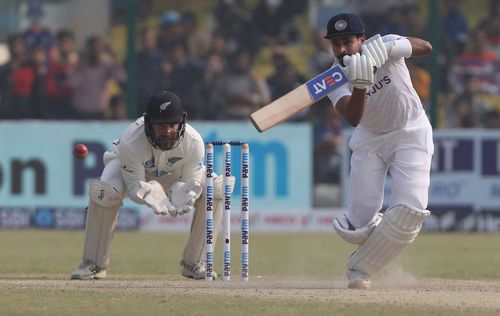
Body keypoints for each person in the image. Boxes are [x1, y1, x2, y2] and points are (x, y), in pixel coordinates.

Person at [71, 91, 232, 280]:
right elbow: (133, 190)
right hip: (128, 170)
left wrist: (185, 192)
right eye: (160, 126)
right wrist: (150, 191)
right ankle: (94, 264)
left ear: (183, 120)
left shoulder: (194, 142)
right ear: (148, 122)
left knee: (216, 188)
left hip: (175, 174)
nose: (167, 131)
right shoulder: (131, 141)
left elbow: (191, 183)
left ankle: (196, 262)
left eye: (172, 124)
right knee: (104, 192)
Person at [323, 13, 434, 289]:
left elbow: (426, 47)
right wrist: (361, 85)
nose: (342, 50)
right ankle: (374, 229)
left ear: (361, 38)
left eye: (348, 42)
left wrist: (390, 48)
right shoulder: (332, 77)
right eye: (335, 45)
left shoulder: (385, 44)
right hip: (369, 141)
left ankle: (360, 269)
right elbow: (352, 118)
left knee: (410, 211)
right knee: (357, 226)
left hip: (411, 132)